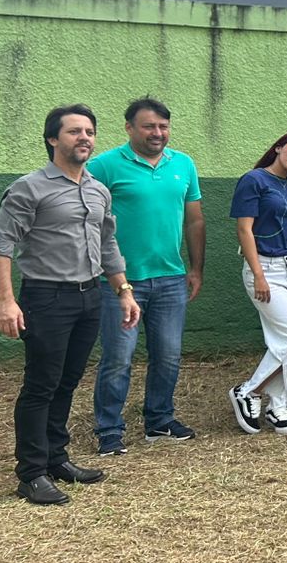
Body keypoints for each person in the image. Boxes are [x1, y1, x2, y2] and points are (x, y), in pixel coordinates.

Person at [0, 105, 139, 505]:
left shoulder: (98, 190)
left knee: (67, 382)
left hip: (90, 297)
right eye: (74, 131)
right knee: (41, 385)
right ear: (53, 139)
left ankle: (56, 459)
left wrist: (123, 290)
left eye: (89, 131)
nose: (84, 137)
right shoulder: (29, 188)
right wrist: (5, 301)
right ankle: (31, 473)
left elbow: (107, 243)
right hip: (46, 297)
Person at [87, 97, 204, 452]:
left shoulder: (183, 164)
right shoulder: (104, 165)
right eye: (149, 126)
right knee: (118, 358)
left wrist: (196, 268)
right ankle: (109, 429)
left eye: (163, 127)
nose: (157, 133)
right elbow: (88, 221)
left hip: (170, 278)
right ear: (129, 128)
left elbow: (194, 221)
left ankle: (159, 420)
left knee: (168, 355)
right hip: (120, 282)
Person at [229, 130, 287, 437]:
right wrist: (259, 275)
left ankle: (277, 405)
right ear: (279, 147)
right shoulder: (254, 180)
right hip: (265, 268)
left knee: (285, 340)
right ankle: (248, 391)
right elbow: (244, 230)